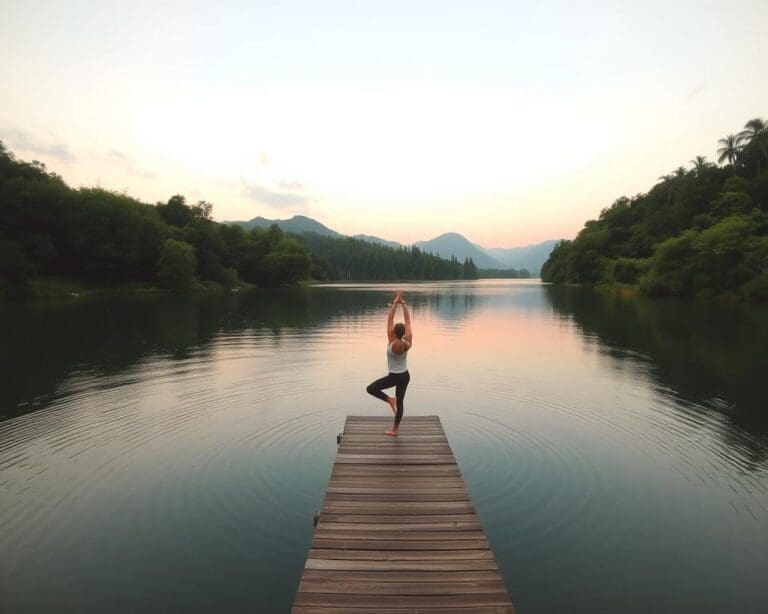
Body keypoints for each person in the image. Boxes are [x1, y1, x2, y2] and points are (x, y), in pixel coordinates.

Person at [366, 290, 413, 436]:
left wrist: (395, 302)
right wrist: (403, 304)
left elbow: (390, 318)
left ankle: (389, 400)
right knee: (401, 403)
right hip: (405, 376)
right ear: (404, 332)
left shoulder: (391, 342)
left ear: (393, 332)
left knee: (371, 389)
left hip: (393, 377)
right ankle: (395, 429)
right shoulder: (408, 341)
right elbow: (408, 321)